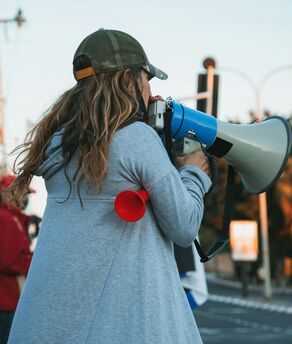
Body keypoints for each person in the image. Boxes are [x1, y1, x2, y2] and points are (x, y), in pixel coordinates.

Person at [7, 29, 210, 344]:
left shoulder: (58, 142)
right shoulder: (136, 140)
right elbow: (184, 225)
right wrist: (195, 172)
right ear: (129, 80)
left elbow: (115, 167)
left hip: (50, 325)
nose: (149, 89)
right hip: (121, 325)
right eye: (146, 79)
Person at [0, 176, 33, 344]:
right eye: (23, 194)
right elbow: (6, 261)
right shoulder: (6, 219)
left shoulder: (14, 218)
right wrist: (34, 262)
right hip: (7, 300)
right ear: (8, 194)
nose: (25, 199)